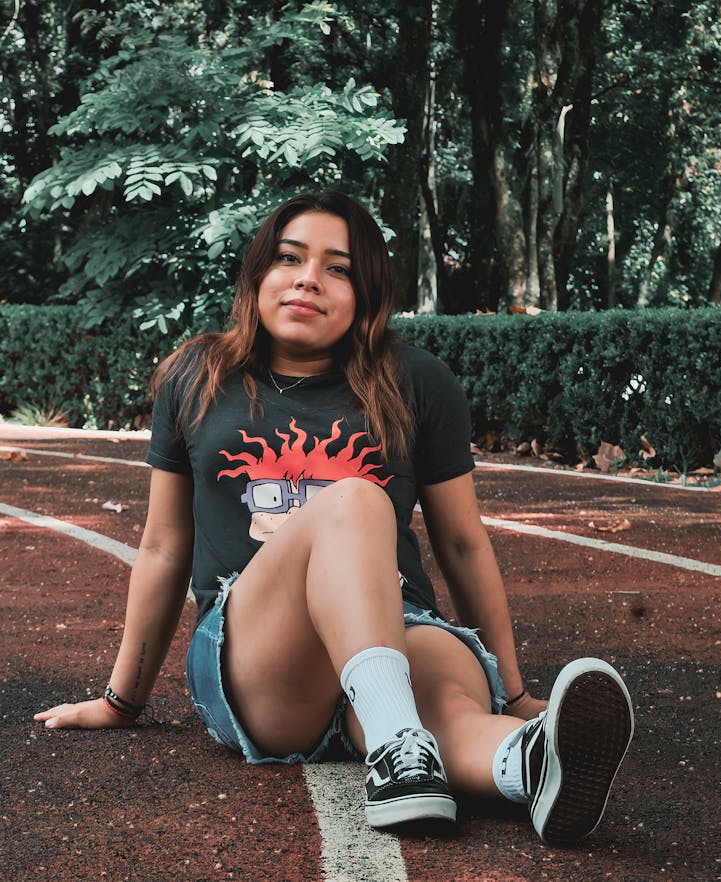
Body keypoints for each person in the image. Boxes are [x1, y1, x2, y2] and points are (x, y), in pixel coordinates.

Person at [35, 191, 634, 843]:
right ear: (258, 274)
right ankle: (400, 745)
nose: (308, 279)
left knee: (453, 708)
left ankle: (524, 762)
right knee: (353, 499)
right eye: (289, 258)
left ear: (367, 292)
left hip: (398, 626)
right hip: (261, 652)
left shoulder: (419, 381)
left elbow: (462, 544)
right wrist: (122, 701)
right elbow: (160, 548)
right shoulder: (198, 376)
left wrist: (515, 696)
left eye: (338, 268)